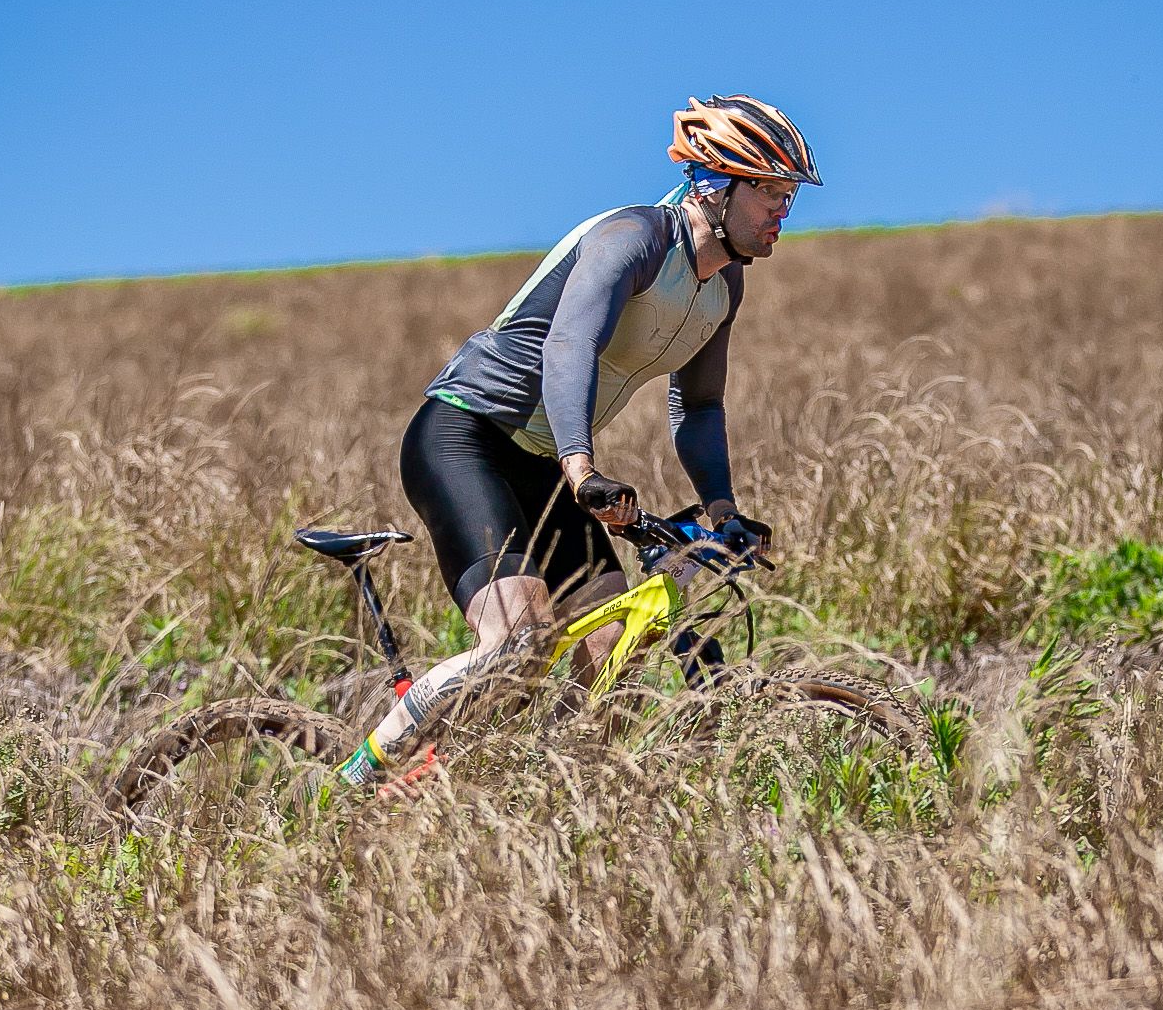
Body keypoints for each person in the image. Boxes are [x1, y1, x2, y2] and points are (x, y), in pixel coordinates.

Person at [337, 96, 821, 787]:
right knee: (520, 640)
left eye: (788, 196)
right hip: (467, 435)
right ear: (716, 185)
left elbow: (699, 404)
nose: (783, 211)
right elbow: (570, 344)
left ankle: (539, 794)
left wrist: (723, 513)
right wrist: (582, 468)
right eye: (770, 193)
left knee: (614, 641)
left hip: (546, 462)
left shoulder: (725, 284)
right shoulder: (635, 238)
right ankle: (348, 786)